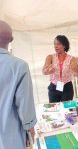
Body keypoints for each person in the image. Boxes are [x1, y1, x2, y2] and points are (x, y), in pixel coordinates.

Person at [0, 20, 37, 149]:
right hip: (10, 137)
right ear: (11, 39)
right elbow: (25, 106)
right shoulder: (19, 66)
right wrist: (30, 128)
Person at [43, 35, 78, 103]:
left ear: (64, 46)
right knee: (54, 109)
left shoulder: (72, 58)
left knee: (66, 109)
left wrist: (76, 68)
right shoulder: (50, 57)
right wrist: (48, 71)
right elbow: (44, 71)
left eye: (58, 44)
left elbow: (77, 73)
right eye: (54, 44)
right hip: (53, 88)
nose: (55, 46)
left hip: (67, 88)